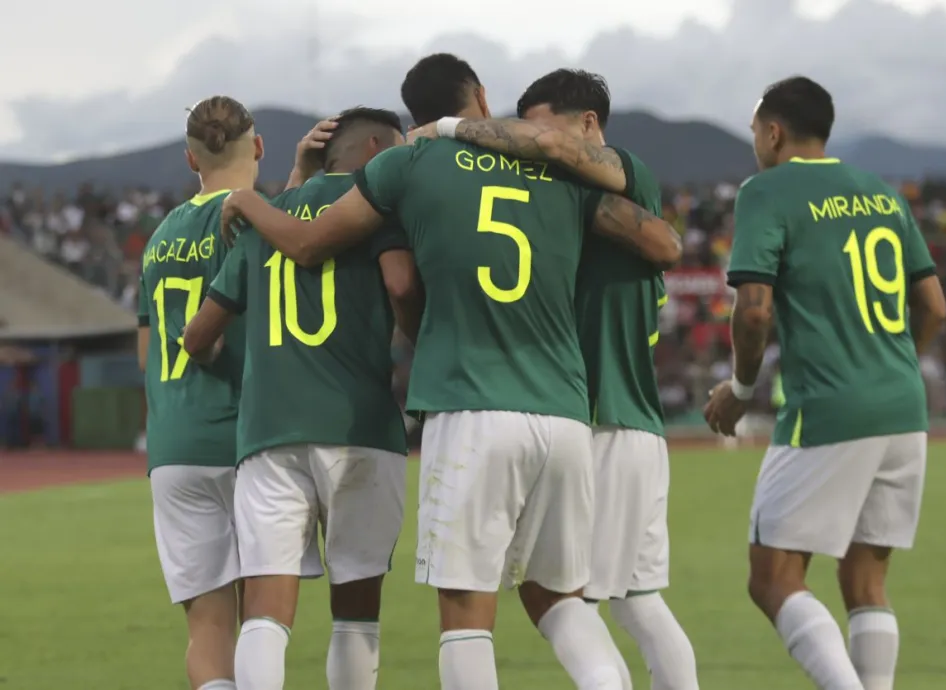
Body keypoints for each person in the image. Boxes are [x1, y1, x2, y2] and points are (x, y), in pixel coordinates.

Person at [218, 53, 682, 690]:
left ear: (414, 114)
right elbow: (663, 245)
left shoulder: (407, 162)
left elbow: (310, 242)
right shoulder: (557, 169)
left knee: (466, 616)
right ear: (483, 97)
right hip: (566, 416)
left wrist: (250, 197)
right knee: (563, 603)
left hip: (471, 406)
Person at [414, 67, 698, 690]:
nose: (519, 143)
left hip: (598, 416)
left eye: (535, 128)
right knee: (620, 600)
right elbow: (665, 244)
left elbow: (548, 149)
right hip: (624, 421)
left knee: (569, 601)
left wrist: (444, 130)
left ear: (588, 125)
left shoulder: (613, 168)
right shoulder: (585, 195)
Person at [703, 76, 946, 690]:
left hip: (828, 409)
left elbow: (755, 309)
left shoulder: (767, 190)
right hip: (902, 408)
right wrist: (888, 367)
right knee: (866, 583)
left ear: (774, 131)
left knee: (773, 577)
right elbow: (935, 307)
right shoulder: (881, 192)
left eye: (756, 129)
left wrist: (739, 387)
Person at [183, 107, 420, 690]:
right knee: (356, 609)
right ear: (372, 148)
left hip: (268, 433)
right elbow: (401, 284)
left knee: (265, 609)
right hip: (359, 425)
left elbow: (196, 337)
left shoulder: (267, 215)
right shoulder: (381, 206)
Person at [136, 95, 257, 690]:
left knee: (208, 631)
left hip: (174, 444)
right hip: (247, 436)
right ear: (257, 146)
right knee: (265, 621)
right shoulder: (255, 217)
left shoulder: (159, 237)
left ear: (190, 158)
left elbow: (145, 352)